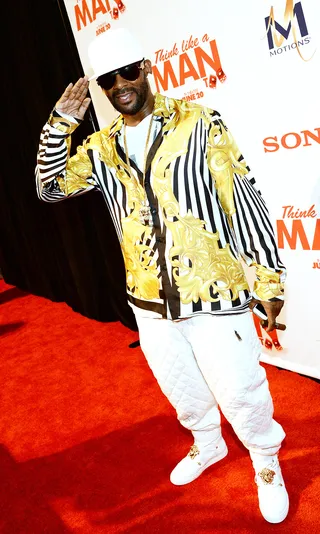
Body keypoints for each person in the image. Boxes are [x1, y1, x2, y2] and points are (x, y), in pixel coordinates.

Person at [35, 27, 289, 523]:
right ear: (103, 88)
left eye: (128, 72)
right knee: (182, 389)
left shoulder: (199, 123)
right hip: (148, 301)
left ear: (146, 68)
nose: (120, 85)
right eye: (108, 79)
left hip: (213, 294)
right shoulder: (102, 147)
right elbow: (49, 190)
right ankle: (206, 443)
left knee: (240, 389)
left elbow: (244, 201)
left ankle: (265, 461)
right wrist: (60, 123)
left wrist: (268, 280)